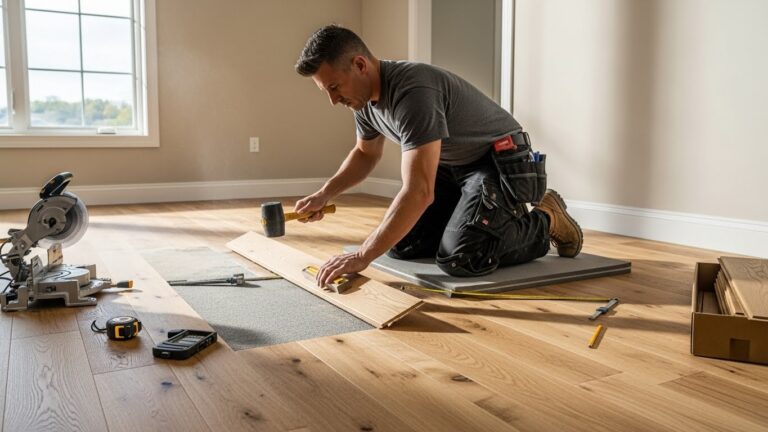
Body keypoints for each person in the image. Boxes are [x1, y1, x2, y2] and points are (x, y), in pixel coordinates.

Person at [293, 25, 583, 288]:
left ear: (360, 65)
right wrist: (324, 194)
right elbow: (365, 153)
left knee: (460, 258)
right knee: (402, 245)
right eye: (325, 91)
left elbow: (419, 191)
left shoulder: (413, 91)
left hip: (494, 162)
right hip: (453, 167)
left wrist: (361, 256)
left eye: (334, 87)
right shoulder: (363, 102)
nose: (333, 100)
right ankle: (474, 224)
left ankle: (547, 218)